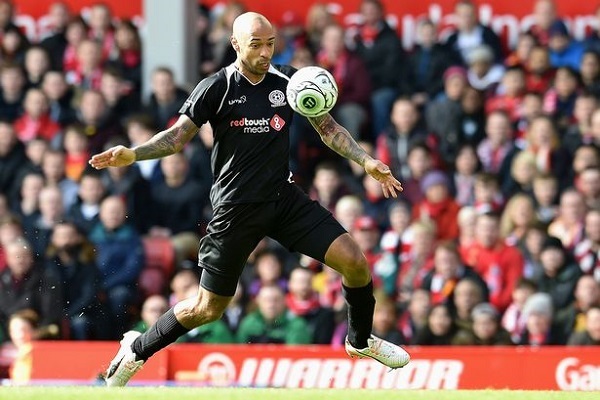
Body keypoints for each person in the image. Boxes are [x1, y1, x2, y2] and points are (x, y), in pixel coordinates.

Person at [90, 12, 409, 387]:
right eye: (255, 44)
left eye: (270, 42)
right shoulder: (217, 87)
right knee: (206, 309)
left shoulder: (291, 80)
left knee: (355, 261)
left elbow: (328, 128)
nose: (265, 51)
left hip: (283, 199)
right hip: (235, 208)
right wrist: (133, 153)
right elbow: (177, 138)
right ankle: (135, 350)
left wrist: (367, 161)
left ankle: (359, 340)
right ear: (236, 44)